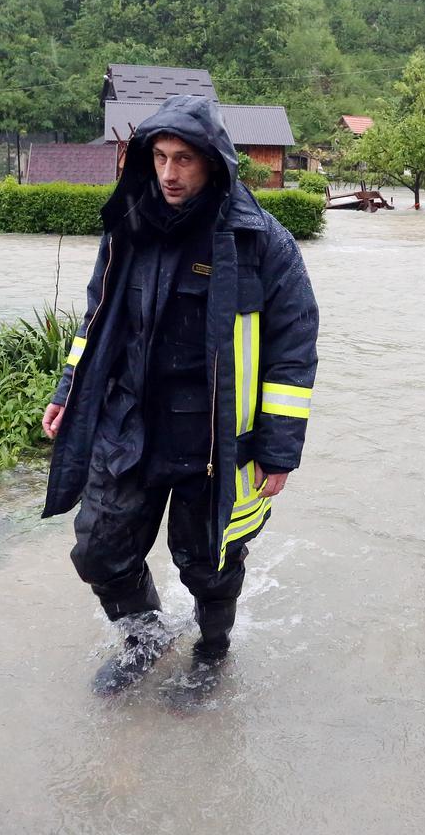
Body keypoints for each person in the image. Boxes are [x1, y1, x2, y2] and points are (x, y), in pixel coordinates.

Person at [42, 94, 319, 698]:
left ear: (214, 164)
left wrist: (277, 449)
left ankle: (212, 655)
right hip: (129, 424)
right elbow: (96, 319)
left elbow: (293, 349)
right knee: (100, 553)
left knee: (208, 564)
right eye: (161, 158)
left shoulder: (261, 242)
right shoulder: (129, 228)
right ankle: (145, 639)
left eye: (185, 160)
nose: (169, 174)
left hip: (213, 438)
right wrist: (70, 388)